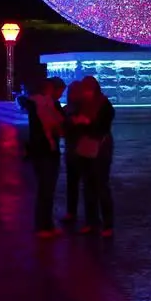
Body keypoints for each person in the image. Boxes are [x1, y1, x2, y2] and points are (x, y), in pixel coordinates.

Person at [18, 77, 67, 237]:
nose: (60, 95)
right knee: (45, 189)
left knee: (48, 189)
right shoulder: (39, 105)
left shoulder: (49, 105)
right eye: (58, 90)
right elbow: (51, 124)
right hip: (44, 150)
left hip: (50, 149)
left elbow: (61, 122)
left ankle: (48, 224)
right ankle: (42, 226)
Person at [73, 76, 116, 236]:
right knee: (88, 186)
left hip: (101, 149)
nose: (86, 93)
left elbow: (103, 127)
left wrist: (87, 123)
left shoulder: (105, 105)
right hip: (86, 148)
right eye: (84, 90)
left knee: (101, 186)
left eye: (89, 89)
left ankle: (108, 224)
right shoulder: (82, 105)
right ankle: (91, 221)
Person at [60, 80, 87, 225]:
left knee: (73, 184)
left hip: (73, 151)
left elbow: (62, 130)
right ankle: (89, 216)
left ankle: (72, 213)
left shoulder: (66, 109)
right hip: (82, 151)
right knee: (85, 184)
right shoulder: (86, 109)